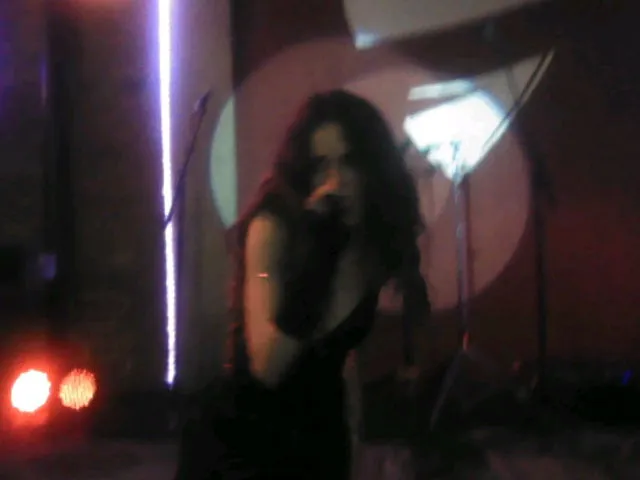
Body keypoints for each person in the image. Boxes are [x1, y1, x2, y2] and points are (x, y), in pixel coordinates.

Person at [174, 90, 430, 479]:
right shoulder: (274, 228)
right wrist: (320, 257)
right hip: (246, 439)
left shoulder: (368, 241)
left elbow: (341, 356)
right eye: (320, 166)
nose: (336, 181)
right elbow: (268, 365)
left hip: (320, 434)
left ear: (373, 168)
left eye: (349, 163)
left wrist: (354, 438)